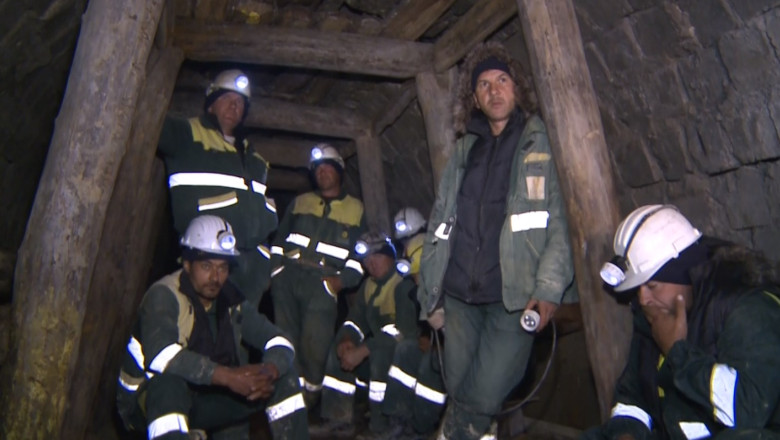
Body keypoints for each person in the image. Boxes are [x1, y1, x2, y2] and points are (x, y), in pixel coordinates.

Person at [418, 41, 575, 439]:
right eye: (483, 85)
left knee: (481, 397)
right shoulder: (464, 149)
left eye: (502, 80)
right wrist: (429, 294)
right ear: (474, 98)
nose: (494, 91)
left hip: (514, 296)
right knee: (461, 393)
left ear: (517, 87)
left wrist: (549, 288)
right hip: (459, 295)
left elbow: (559, 222)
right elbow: (439, 222)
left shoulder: (541, 142)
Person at [583, 204, 780, 440]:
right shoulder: (654, 315)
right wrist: (626, 433)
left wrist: (678, 353)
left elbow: (748, 410)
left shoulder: (749, 310)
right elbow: (632, 397)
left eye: (652, 285)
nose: (643, 299)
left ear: (685, 276)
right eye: (638, 288)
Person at [116, 215, 308, 440]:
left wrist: (268, 371)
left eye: (222, 268)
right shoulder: (164, 296)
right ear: (187, 264)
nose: (215, 277)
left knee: (284, 378)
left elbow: (279, 340)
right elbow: (160, 354)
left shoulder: (231, 300)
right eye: (206, 266)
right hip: (147, 403)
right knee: (169, 385)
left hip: (201, 397)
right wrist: (229, 377)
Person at [158, 69, 277, 307]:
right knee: (203, 324)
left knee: (242, 327)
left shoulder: (254, 158)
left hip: (251, 270)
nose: (234, 106)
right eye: (227, 98)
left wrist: (265, 259)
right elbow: (144, 118)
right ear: (211, 103)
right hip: (209, 258)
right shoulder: (187, 135)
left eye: (240, 102)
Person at [269, 143, 367, 405]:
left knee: (315, 344)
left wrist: (340, 282)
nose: (322, 173)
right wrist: (276, 271)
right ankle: (290, 395)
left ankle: (311, 397)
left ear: (339, 171)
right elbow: (279, 239)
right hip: (288, 277)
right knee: (285, 339)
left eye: (327, 168)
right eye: (318, 169)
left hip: (323, 283)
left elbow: (360, 256)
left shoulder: (356, 209)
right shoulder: (300, 202)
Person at [316, 232, 419, 439]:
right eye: (366, 259)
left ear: (390, 257)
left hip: (406, 360)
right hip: (377, 349)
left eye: (377, 256)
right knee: (340, 346)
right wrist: (347, 338)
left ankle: (382, 426)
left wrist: (363, 350)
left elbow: (403, 331)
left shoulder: (403, 282)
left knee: (380, 354)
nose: (371, 263)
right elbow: (355, 320)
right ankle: (338, 417)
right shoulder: (369, 285)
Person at [385, 233, 448, 438]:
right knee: (406, 350)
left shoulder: (453, 286)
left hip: (460, 356)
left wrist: (440, 346)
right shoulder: (424, 292)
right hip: (438, 344)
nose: (416, 282)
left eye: (418, 276)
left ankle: (422, 428)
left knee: (432, 363)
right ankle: (399, 419)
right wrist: (426, 336)